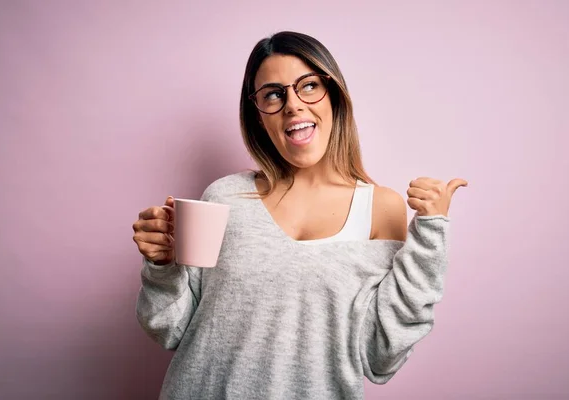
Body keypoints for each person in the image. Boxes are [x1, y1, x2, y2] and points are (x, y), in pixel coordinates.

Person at [132, 31, 467, 400]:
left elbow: (381, 356)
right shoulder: (223, 196)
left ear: (334, 97)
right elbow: (170, 328)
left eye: (308, 86)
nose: (292, 105)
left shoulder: (380, 208)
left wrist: (431, 234)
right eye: (273, 94)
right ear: (259, 116)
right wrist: (163, 267)